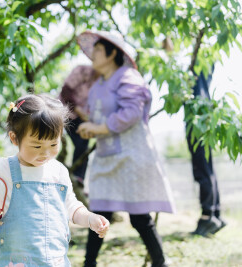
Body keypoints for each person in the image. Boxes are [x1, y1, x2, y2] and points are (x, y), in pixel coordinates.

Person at [0, 94, 110, 266]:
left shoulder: (59, 172)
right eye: (36, 146)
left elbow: (71, 207)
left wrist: (89, 218)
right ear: (14, 138)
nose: (45, 153)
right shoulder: (5, 170)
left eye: (53, 144)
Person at [76, 30, 175, 267]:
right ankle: (89, 263)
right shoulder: (98, 85)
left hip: (131, 157)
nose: (93, 56)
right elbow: (98, 116)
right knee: (99, 212)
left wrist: (97, 128)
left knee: (139, 217)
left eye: (98, 51)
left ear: (112, 54)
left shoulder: (128, 76)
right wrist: (89, 128)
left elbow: (131, 113)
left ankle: (160, 262)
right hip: (106, 157)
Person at [186, 67, 227, 237]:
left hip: (198, 122)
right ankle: (215, 214)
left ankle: (207, 216)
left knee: (201, 168)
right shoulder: (202, 60)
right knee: (206, 167)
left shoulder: (197, 62)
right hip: (202, 120)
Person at [59, 65, 98, 186]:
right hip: (65, 112)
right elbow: (66, 91)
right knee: (81, 142)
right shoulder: (82, 71)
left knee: (83, 143)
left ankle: (78, 178)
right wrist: (78, 110)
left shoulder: (104, 84)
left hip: (83, 119)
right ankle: (75, 176)